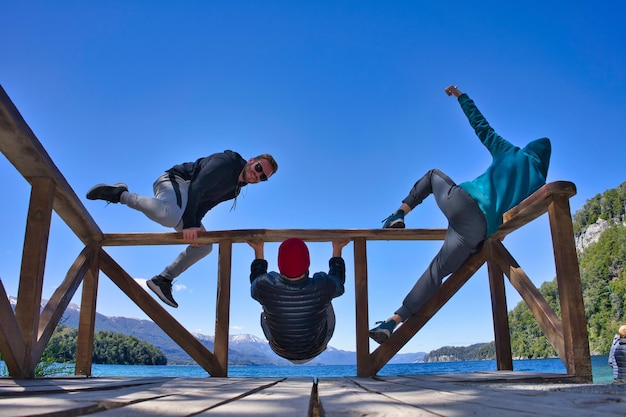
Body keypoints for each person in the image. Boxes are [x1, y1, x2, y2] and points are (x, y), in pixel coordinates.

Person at [369, 85, 552, 344]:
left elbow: (481, 126)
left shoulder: (512, 153)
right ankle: (395, 320)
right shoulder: (537, 184)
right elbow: (512, 216)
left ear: (528, 149)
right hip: (476, 231)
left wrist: (461, 96)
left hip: (462, 202)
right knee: (436, 272)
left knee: (433, 175)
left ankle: (398, 214)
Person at [87, 150, 278, 308]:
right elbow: (197, 187)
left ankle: (163, 280)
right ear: (251, 160)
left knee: (204, 246)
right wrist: (190, 225)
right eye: (258, 168)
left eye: (262, 178)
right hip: (176, 182)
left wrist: (195, 228)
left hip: (187, 204)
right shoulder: (226, 163)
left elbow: (204, 204)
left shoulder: (235, 189)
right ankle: (120, 194)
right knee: (169, 215)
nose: (257, 175)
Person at [246, 238, 349, 363]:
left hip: (280, 349)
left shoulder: (264, 285)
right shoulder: (323, 284)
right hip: (316, 348)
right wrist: (337, 249)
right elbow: (338, 281)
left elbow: (256, 280)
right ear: (307, 262)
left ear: (280, 263)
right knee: (327, 297)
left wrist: (259, 250)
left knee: (265, 301)